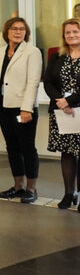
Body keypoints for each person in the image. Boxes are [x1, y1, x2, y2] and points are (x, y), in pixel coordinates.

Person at [0, 17, 42, 204]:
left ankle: (31, 189)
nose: (18, 32)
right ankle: (18, 186)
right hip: (3, 106)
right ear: (6, 31)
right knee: (12, 147)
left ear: (26, 33)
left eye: (22, 29)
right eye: (14, 29)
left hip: (22, 108)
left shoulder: (32, 52)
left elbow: (33, 82)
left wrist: (27, 109)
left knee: (27, 148)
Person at [44, 18, 80, 210]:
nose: (71, 35)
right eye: (68, 33)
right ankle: (69, 193)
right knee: (66, 153)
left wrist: (70, 101)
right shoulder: (56, 56)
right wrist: (61, 101)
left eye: (75, 31)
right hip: (61, 112)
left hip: (78, 109)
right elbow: (48, 82)